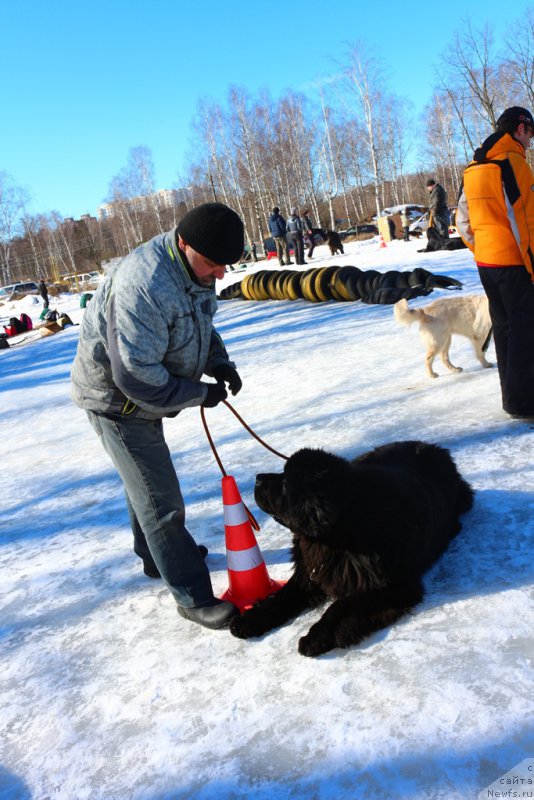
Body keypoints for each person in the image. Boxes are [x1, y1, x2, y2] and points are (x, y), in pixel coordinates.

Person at [70, 202, 245, 630]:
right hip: (119, 402)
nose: (221, 274)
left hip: (145, 396)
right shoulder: (143, 285)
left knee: (144, 483)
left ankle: (155, 557)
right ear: (183, 243)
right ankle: (192, 595)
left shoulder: (193, 269)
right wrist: (197, 393)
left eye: (226, 265)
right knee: (160, 501)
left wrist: (217, 361)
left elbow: (200, 324)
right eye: (214, 264)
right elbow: (136, 378)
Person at [457, 106, 534, 419]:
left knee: (503, 328)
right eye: (530, 131)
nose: (531, 138)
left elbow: (462, 221)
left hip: (487, 263)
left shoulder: (473, 168)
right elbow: (525, 222)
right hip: (513, 262)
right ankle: (524, 402)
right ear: (518, 128)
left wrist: (479, 249)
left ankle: (511, 398)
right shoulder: (512, 163)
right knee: (524, 331)